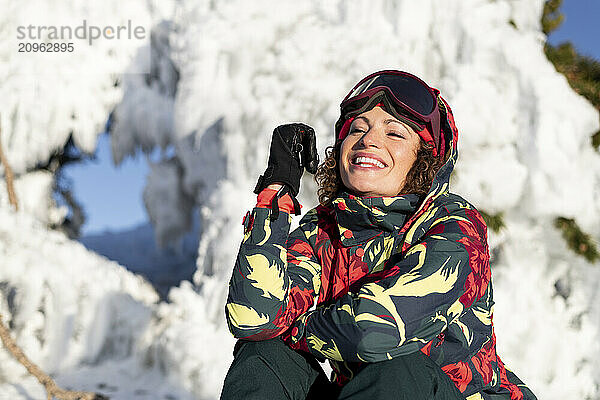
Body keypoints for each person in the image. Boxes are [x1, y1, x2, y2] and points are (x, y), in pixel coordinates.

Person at [221, 70, 537, 400]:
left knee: (393, 365)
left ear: (424, 158)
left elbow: (376, 330)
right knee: (264, 354)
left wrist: (295, 327)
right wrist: (277, 191)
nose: (368, 140)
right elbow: (251, 318)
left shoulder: (454, 224)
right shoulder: (324, 232)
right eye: (357, 128)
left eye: (395, 134)